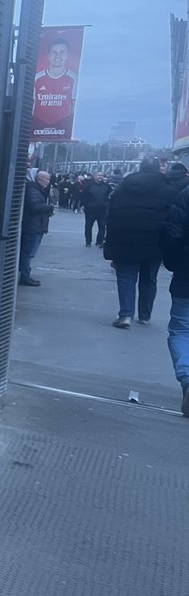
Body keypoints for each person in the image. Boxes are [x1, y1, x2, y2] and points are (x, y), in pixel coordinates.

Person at [103, 156, 178, 329]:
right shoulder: (169, 189)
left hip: (125, 241)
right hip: (155, 243)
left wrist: (110, 247)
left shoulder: (122, 189)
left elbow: (111, 218)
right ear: (159, 169)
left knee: (126, 277)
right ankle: (145, 315)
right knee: (149, 278)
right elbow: (172, 218)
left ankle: (125, 315)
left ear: (140, 168)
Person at [160, 181, 189, 416]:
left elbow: (172, 234)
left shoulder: (185, 196)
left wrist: (175, 265)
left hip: (187, 276)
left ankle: (188, 378)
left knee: (181, 331)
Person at [33, 37, 77, 135]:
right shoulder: (37, 78)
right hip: (38, 127)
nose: (58, 56)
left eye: (62, 52)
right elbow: (32, 104)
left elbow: (73, 106)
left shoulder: (73, 78)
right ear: (48, 56)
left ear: (67, 56)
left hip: (61, 129)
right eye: (54, 52)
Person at [19, 170, 54, 287]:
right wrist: (49, 208)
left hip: (36, 226)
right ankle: (25, 276)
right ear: (39, 179)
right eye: (47, 179)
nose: (48, 182)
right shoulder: (32, 190)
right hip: (33, 227)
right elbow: (34, 206)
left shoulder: (36, 189)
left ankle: (25, 273)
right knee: (28, 253)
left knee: (28, 253)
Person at [80, 171, 112, 247]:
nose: (100, 177)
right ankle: (88, 241)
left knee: (102, 226)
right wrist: (86, 205)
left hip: (103, 210)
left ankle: (99, 241)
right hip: (90, 210)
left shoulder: (107, 186)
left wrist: (108, 205)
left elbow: (110, 196)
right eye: (98, 175)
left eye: (102, 175)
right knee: (88, 226)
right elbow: (83, 196)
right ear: (94, 176)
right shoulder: (88, 186)